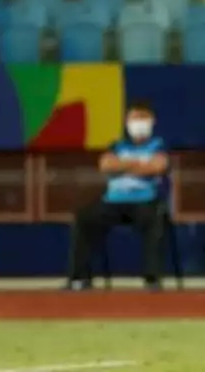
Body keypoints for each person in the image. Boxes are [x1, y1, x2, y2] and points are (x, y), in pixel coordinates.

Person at [67, 100, 169, 290]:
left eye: (142, 118)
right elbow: (105, 165)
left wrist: (122, 165)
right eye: (134, 118)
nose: (138, 123)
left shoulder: (158, 145)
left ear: (152, 121)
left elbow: (157, 167)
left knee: (155, 220)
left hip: (145, 202)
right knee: (83, 218)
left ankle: (152, 279)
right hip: (113, 203)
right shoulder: (117, 145)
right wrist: (138, 165)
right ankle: (80, 278)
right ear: (126, 122)